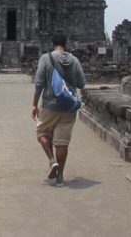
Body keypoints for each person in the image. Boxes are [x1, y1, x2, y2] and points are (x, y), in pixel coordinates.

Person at [31, 32, 86, 187]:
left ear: (52, 44)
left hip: (49, 105)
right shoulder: (74, 60)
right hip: (69, 108)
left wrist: (35, 104)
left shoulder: (46, 58)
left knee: (42, 132)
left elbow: (39, 84)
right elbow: (82, 83)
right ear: (66, 44)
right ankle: (60, 176)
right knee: (62, 142)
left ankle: (51, 159)